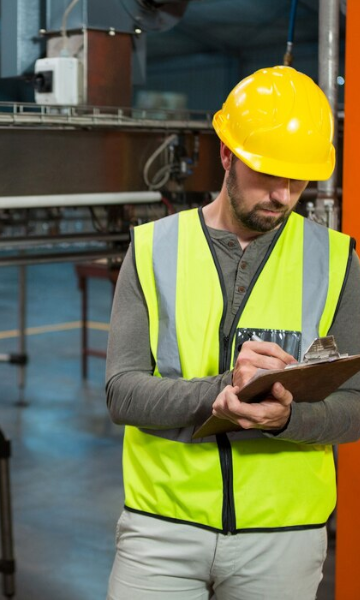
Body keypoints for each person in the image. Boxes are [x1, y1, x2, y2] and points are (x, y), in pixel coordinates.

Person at [105, 65, 360, 600]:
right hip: (160, 529)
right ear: (226, 155)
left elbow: (356, 405)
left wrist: (287, 417)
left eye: (299, 179)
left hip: (284, 538)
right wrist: (222, 392)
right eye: (267, 174)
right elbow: (122, 392)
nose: (283, 194)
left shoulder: (337, 261)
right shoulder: (152, 250)